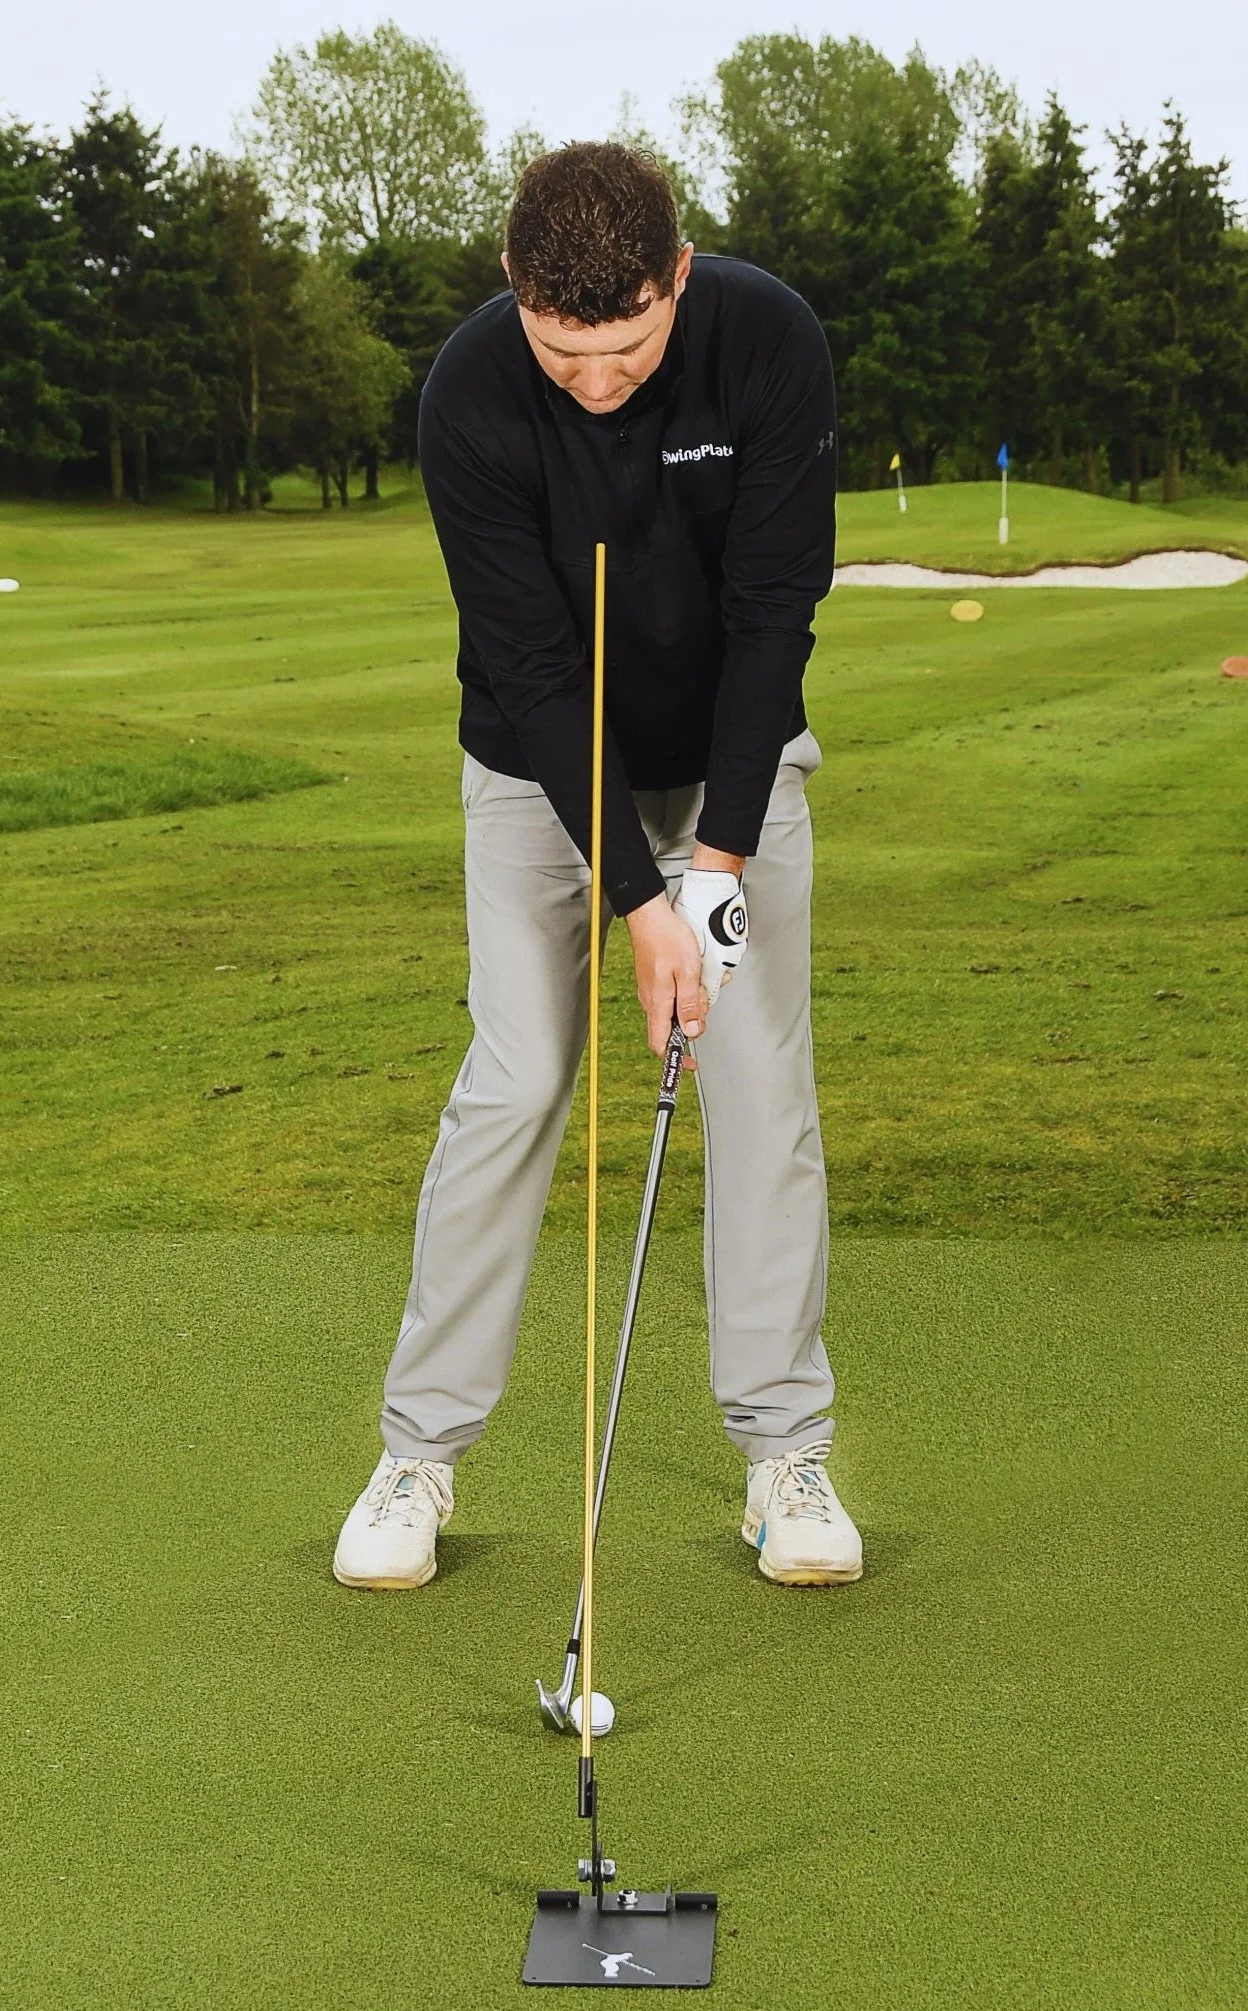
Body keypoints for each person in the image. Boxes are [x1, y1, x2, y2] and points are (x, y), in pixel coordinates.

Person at [333, 141, 862, 1592]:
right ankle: (418, 1453)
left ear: (675, 280)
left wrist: (713, 862)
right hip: (532, 768)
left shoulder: (766, 340)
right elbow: (530, 666)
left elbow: (774, 618)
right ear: (515, 297)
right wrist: (636, 901)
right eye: (565, 356)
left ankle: (783, 1457)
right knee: (515, 1080)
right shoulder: (468, 390)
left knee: (753, 1077)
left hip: (728, 766)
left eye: (625, 349)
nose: (597, 385)